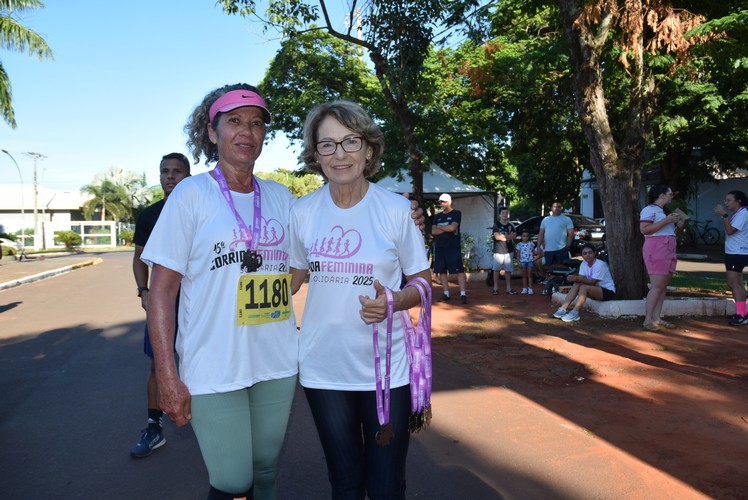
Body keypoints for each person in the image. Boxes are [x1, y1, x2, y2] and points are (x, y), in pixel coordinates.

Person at [142, 84, 300, 500]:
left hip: (277, 360)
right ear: (212, 133)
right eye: (234, 121)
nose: (247, 131)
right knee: (232, 481)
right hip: (214, 365)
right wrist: (167, 373)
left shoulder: (281, 197)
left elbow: (308, 254)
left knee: (265, 470)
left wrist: (398, 211)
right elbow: (161, 291)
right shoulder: (191, 196)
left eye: (256, 123)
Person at [289, 100, 431, 499]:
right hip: (323, 368)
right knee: (346, 484)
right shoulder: (301, 213)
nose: (340, 154)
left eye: (350, 142)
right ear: (315, 155)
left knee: (386, 487)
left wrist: (395, 301)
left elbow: (422, 282)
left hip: (387, 369)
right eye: (327, 145)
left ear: (369, 149)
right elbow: (293, 277)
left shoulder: (397, 210)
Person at [130, 152, 190, 458]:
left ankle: (207, 416)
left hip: (197, 303)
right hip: (163, 301)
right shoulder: (149, 215)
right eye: (165, 171)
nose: (170, 176)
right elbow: (140, 258)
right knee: (158, 363)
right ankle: (154, 426)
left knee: (200, 359)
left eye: (177, 171)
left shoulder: (200, 209)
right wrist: (144, 291)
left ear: (187, 176)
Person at [640, 184, 684, 332]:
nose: (672, 196)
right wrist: (666, 221)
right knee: (657, 286)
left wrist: (679, 224)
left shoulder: (664, 211)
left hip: (668, 247)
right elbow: (644, 229)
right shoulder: (649, 210)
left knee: (662, 286)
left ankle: (656, 318)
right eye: (670, 194)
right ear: (661, 195)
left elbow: (670, 230)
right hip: (657, 247)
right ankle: (648, 320)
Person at [552, 243, 616, 322]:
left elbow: (592, 282)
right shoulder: (583, 264)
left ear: (594, 253)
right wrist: (573, 278)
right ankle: (563, 308)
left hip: (608, 292)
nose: (588, 255)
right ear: (582, 256)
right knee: (577, 284)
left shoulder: (600, 264)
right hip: (595, 290)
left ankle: (575, 312)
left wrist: (578, 279)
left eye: (590, 252)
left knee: (583, 287)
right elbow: (581, 278)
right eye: (585, 253)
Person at [714, 190, 748, 326]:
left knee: (733, 284)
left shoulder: (742, 214)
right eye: (726, 200)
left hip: (737, 253)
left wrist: (724, 215)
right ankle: (742, 312)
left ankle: (742, 314)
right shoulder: (739, 214)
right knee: (738, 283)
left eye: (729, 200)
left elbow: (730, 231)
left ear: (738, 201)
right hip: (735, 253)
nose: (726, 203)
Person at [432, 193, 468, 303]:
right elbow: (433, 231)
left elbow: (453, 228)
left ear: (450, 202)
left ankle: (463, 294)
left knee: (459, 270)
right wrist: (445, 228)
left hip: (453, 247)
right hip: (440, 248)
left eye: (444, 201)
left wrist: (440, 227)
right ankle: (446, 293)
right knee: (442, 271)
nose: (442, 203)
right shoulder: (437, 216)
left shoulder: (456, 213)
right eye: (440, 201)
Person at [537, 201, 574, 267]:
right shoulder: (545, 220)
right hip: (548, 250)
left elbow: (571, 233)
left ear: (561, 208)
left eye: (559, 207)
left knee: (562, 268)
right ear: (551, 208)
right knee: (549, 269)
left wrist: (568, 245)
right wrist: (538, 246)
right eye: (555, 207)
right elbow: (541, 234)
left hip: (561, 249)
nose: (557, 208)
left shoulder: (567, 219)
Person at [491, 206, 517, 295]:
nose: (505, 214)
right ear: (499, 214)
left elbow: (514, 236)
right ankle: (495, 288)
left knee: (508, 270)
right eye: (503, 213)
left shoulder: (511, 225)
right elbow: (497, 237)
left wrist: (503, 237)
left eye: (506, 213)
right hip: (498, 250)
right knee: (496, 270)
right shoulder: (496, 225)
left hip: (509, 251)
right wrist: (508, 237)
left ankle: (508, 288)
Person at [515, 230, 535, 294]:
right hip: (522, 261)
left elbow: (533, 252)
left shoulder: (531, 243)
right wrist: (519, 262)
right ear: (521, 237)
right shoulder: (519, 244)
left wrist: (534, 258)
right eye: (524, 236)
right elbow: (518, 254)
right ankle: (524, 288)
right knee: (524, 275)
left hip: (530, 261)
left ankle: (530, 288)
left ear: (529, 237)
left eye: (527, 236)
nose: (525, 237)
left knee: (529, 275)